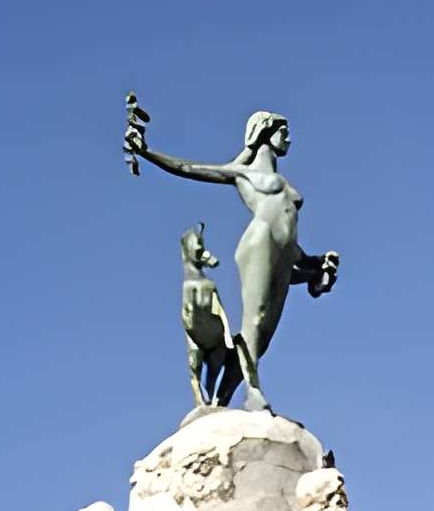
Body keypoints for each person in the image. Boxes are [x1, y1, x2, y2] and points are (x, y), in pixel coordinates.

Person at [126, 108, 337, 409]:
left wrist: (314, 264)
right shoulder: (243, 173)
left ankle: (219, 400)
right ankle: (253, 393)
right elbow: (187, 168)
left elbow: (288, 235)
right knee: (256, 320)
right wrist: (145, 152)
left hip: (284, 248)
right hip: (259, 241)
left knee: (262, 338)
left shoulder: (279, 179)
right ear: (265, 131)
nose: (288, 137)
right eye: (283, 130)